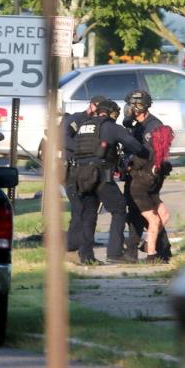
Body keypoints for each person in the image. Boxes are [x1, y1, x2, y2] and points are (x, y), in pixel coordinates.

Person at [72, 99, 148, 264]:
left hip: (79, 174)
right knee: (119, 209)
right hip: (100, 174)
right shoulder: (111, 126)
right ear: (113, 113)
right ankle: (115, 253)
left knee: (88, 214)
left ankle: (86, 256)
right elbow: (135, 146)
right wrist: (146, 152)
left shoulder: (84, 126)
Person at [122, 90, 174, 263]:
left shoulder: (152, 127)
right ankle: (160, 250)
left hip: (143, 180)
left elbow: (150, 156)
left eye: (130, 105)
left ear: (139, 107)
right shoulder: (137, 126)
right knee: (154, 216)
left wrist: (131, 164)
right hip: (143, 179)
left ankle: (150, 251)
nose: (127, 109)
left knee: (145, 218)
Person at [62, 95, 106, 263]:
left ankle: (80, 243)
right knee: (78, 207)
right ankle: (72, 245)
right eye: (98, 107)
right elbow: (63, 137)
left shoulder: (99, 123)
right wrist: (82, 150)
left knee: (87, 209)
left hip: (89, 170)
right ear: (91, 105)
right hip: (72, 169)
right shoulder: (77, 119)